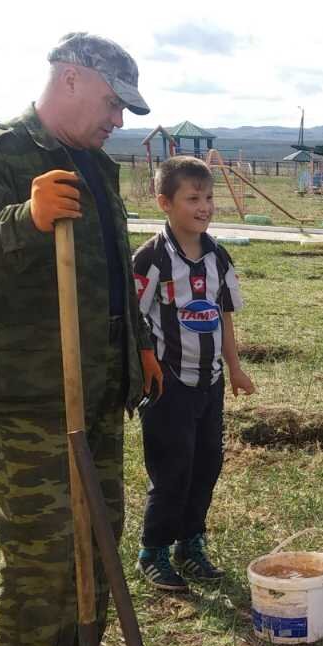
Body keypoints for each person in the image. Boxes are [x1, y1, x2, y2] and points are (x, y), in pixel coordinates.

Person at [0, 33, 162, 646]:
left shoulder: (94, 165)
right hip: (31, 389)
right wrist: (28, 219)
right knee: (43, 540)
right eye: (110, 104)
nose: (117, 121)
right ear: (71, 80)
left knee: (102, 530)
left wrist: (139, 350)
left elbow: (110, 273)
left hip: (97, 385)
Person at [130, 155, 254, 592]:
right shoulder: (151, 259)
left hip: (211, 382)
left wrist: (235, 368)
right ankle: (154, 550)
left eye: (208, 197)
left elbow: (223, 315)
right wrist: (146, 365)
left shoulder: (218, 256)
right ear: (165, 203)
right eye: (192, 199)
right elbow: (132, 318)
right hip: (168, 385)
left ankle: (191, 543)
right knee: (173, 468)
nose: (203, 207)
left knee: (206, 464)